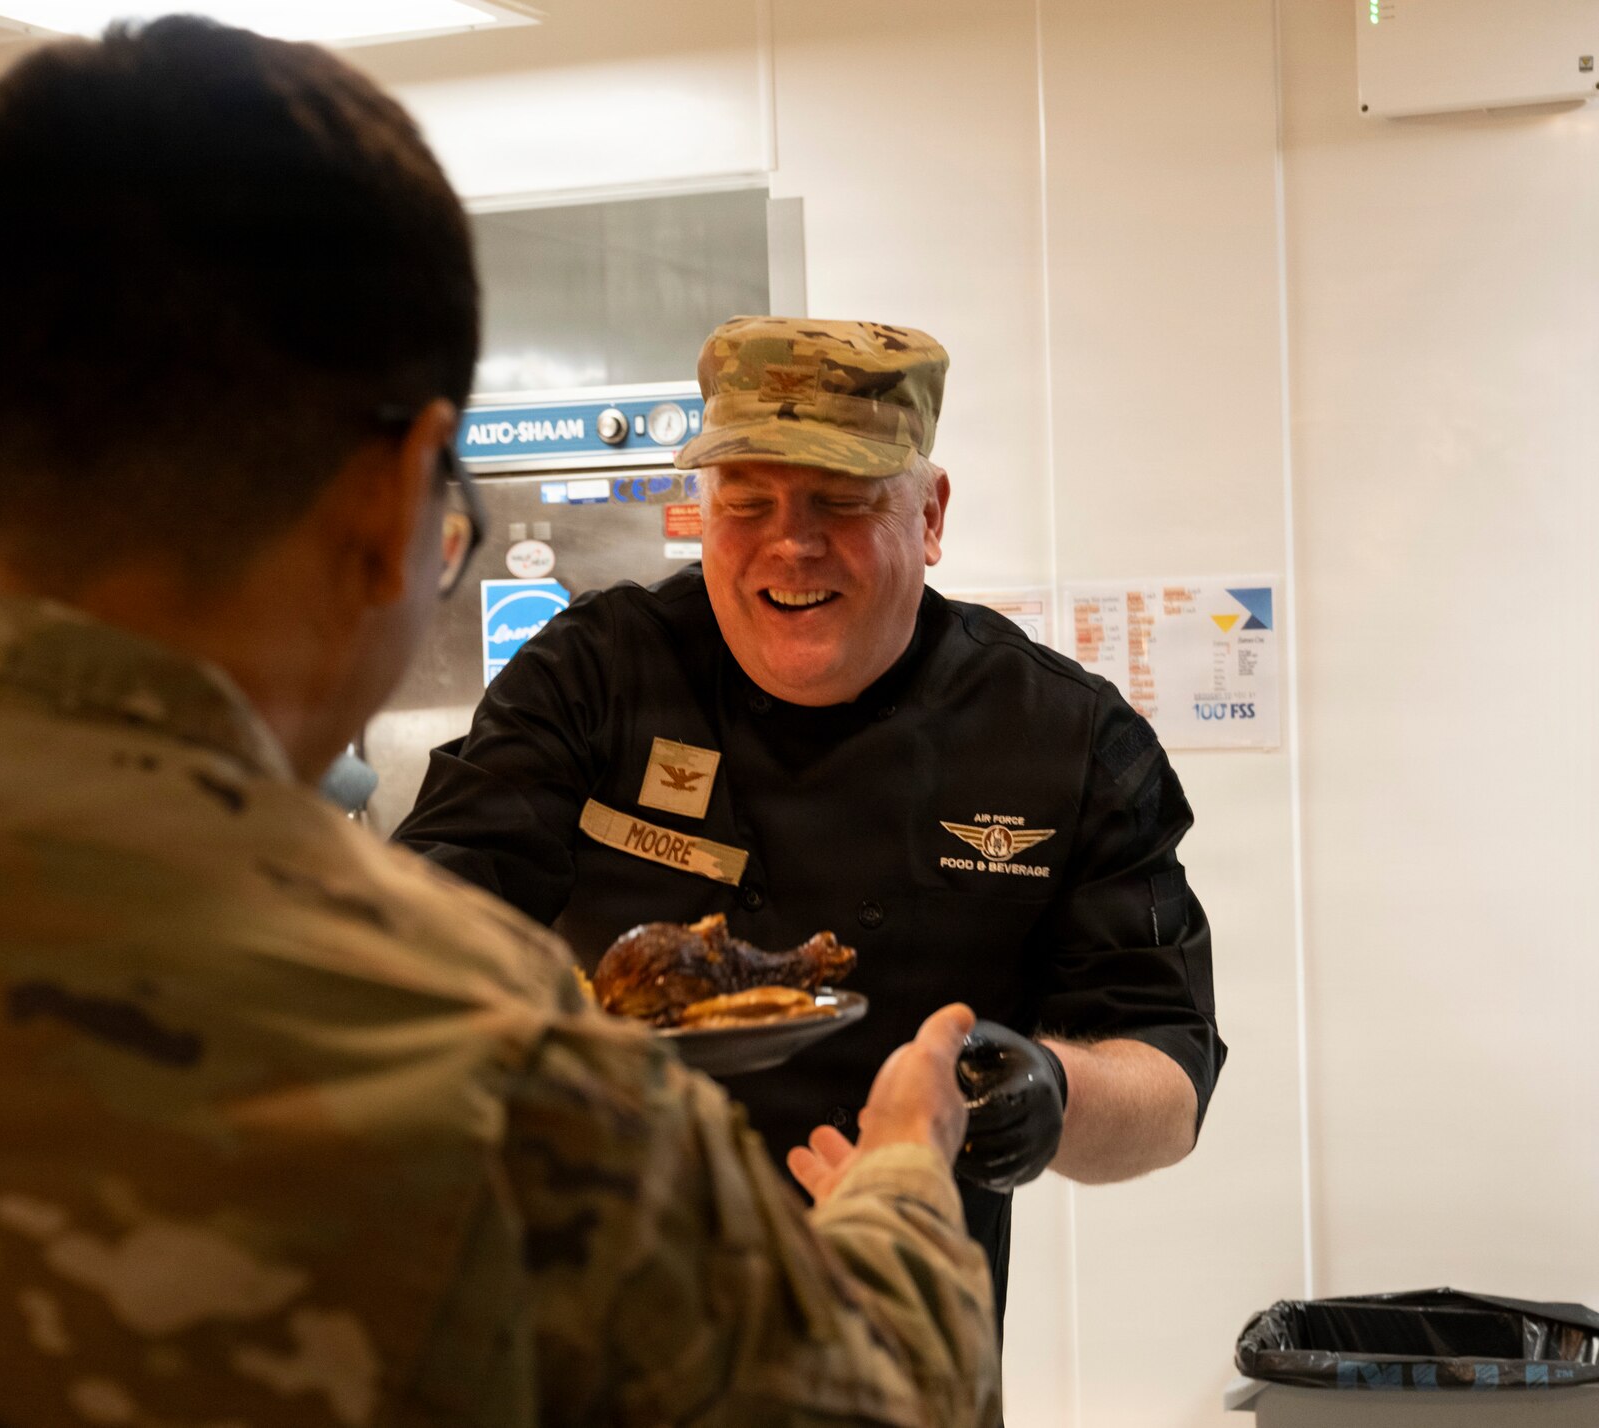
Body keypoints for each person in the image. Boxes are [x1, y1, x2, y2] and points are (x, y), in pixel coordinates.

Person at [0, 24, 1003, 1426]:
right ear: (403, 498)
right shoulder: (489, 1070)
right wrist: (900, 1174)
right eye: (749, 503)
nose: (788, 547)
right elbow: (864, 1400)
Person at [396, 316, 1229, 1320]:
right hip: (597, 1303)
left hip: (890, 1314)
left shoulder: (1061, 736)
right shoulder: (594, 677)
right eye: (744, 501)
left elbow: (1167, 1078)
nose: (790, 544)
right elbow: (418, 928)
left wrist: (1041, 1099)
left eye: (842, 500)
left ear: (928, 515)